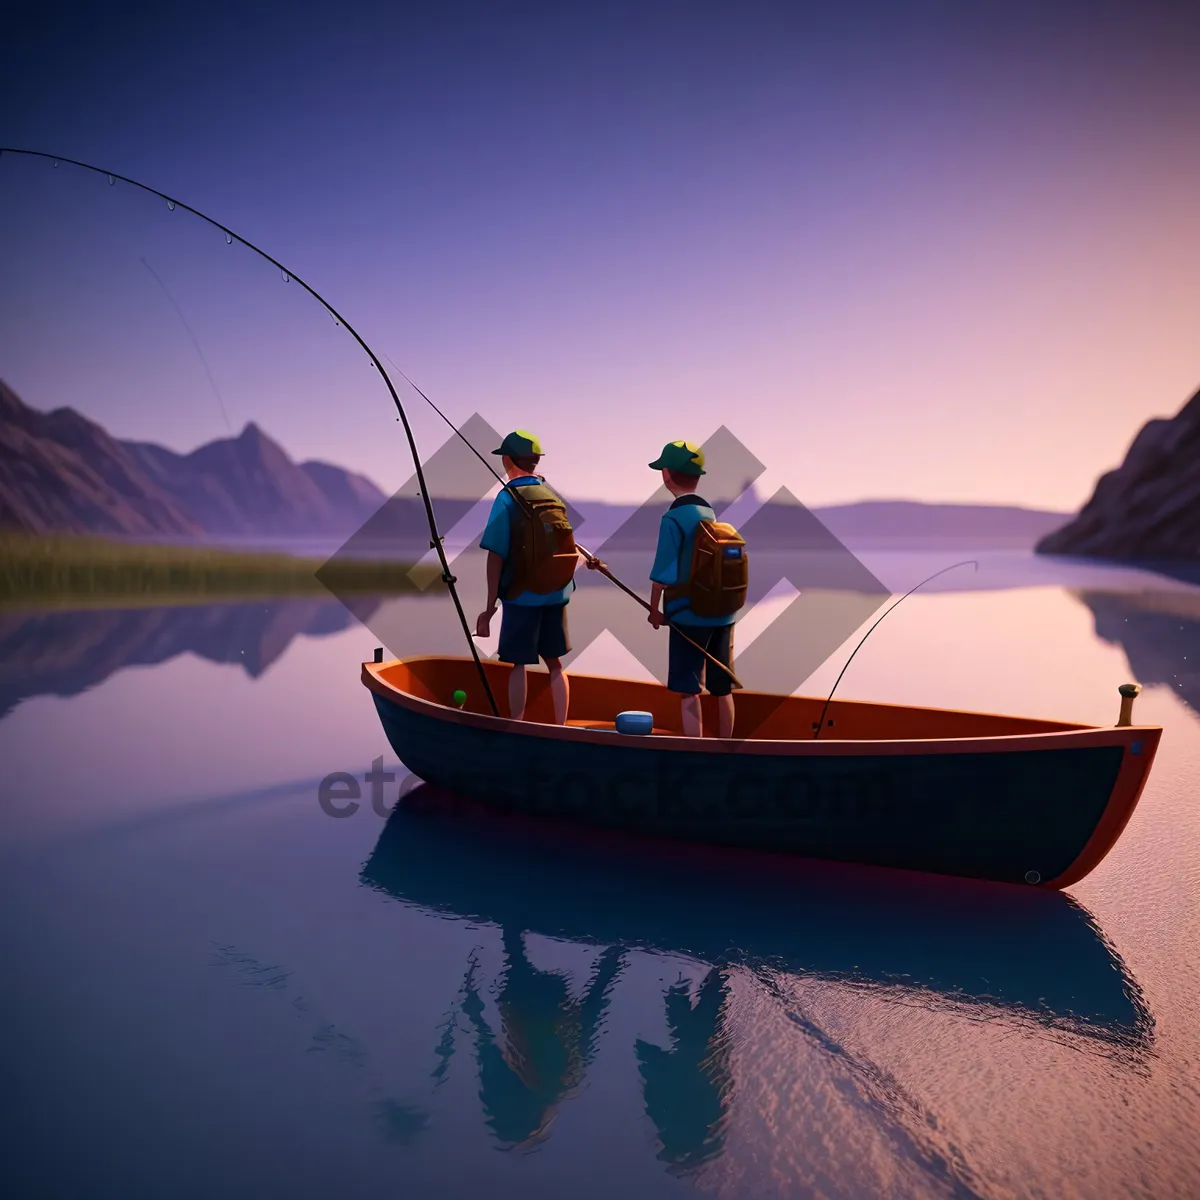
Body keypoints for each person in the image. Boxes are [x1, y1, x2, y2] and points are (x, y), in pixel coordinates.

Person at [475, 430, 586, 724]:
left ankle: (517, 725)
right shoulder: (552, 496)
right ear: (536, 462)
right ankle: (561, 726)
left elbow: (495, 554)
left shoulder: (506, 498)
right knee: (555, 664)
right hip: (557, 592)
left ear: (508, 460)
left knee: (519, 663)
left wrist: (489, 607)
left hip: (522, 595)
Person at [647, 440, 740, 738]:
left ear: (667, 474)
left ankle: (694, 748)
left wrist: (654, 611)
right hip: (723, 613)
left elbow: (663, 573)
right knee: (722, 686)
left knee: (690, 689)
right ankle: (725, 748)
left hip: (688, 615)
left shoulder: (673, 518)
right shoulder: (710, 515)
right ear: (698, 477)